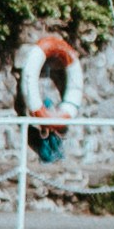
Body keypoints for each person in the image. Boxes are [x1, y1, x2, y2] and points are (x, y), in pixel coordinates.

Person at [17, 19, 80, 164]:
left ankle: (51, 148)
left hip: (48, 117)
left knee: (49, 115)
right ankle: (49, 149)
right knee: (46, 115)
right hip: (42, 116)